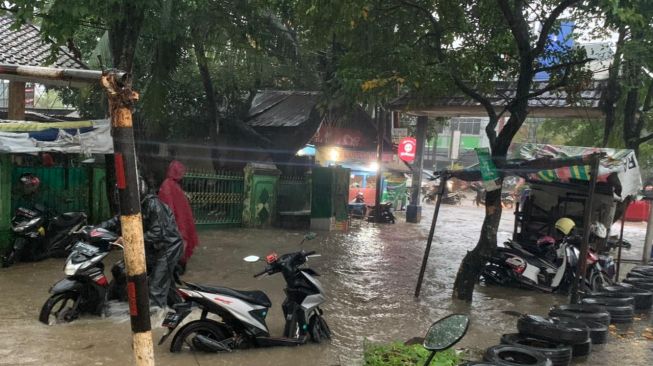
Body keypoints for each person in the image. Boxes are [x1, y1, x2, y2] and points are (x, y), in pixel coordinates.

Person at [98, 177, 183, 308]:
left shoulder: (154, 205)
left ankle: (157, 318)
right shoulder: (132, 207)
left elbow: (158, 233)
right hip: (150, 247)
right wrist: (96, 229)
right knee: (120, 270)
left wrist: (128, 240)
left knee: (156, 288)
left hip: (167, 247)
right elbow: (116, 220)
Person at [158, 160, 199, 273]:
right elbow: (168, 207)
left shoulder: (173, 185)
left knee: (182, 244)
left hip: (180, 222)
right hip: (176, 223)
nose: (182, 173)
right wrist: (173, 224)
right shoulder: (167, 185)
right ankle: (177, 267)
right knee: (178, 245)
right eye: (180, 171)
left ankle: (179, 265)